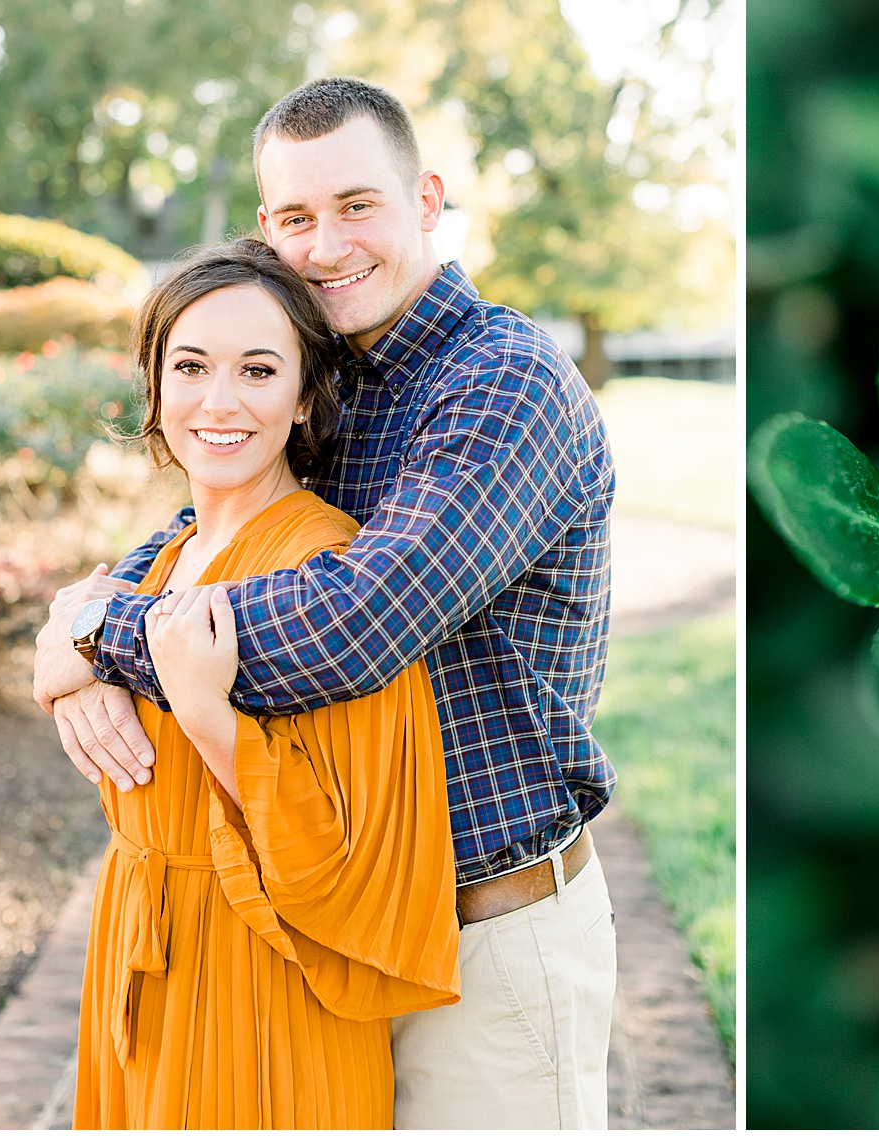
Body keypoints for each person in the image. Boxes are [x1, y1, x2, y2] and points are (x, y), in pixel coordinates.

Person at [33, 77, 618, 1128]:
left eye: (358, 206)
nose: (328, 242)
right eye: (297, 217)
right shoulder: (327, 375)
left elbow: (352, 625)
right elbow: (212, 527)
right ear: (267, 227)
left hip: (483, 937)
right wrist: (85, 610)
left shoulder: (505, 382)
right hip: (317, 932)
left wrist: (96, 634)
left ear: (427, 199)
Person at [71, 239, 460, 1126]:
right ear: (156, 386)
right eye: (191, 366)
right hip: (138, 944)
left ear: (301, 399)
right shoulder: (162, 560)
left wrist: (206, 711)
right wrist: (74, 667)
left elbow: (341, 857)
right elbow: (90, 643)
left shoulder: (318, 565)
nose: (219, 401)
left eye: (257, 369)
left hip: (264, 981)